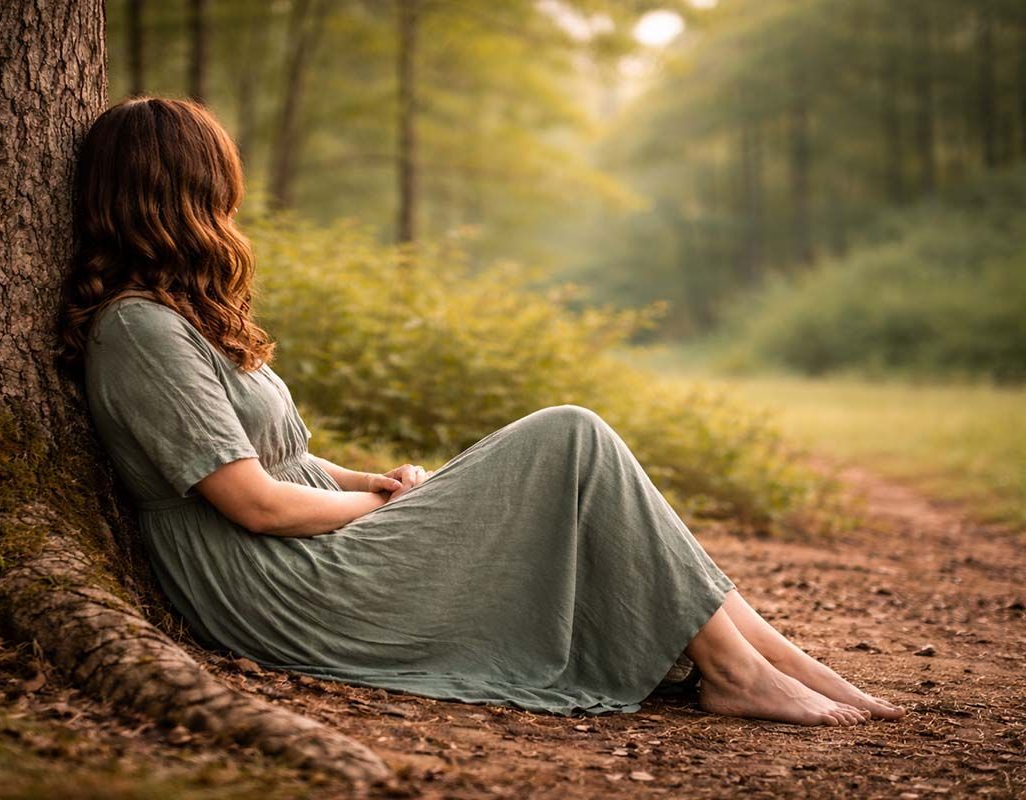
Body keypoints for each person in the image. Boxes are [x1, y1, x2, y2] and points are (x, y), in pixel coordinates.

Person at [58, 96, 906, 727]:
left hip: (307, 542)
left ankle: (768, 657)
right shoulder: (140, 330)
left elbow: (282, 464)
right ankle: (737, 671)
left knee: (577, 445)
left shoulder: (177, 316)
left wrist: (371, 480)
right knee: (570, 435)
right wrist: (381, 506)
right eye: (221, 184)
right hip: (280, 584)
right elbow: (255, 502)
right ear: (186, 192)